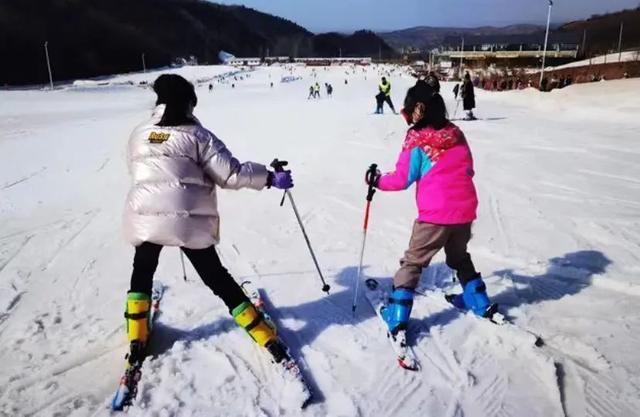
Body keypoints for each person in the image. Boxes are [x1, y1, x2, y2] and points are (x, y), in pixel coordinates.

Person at [122, 74, 295, 369]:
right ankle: (264, 335)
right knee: (217, 277)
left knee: (143, 270)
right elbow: (231, 174)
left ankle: (136, 336)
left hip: (145, 217)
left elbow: (136, 170)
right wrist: (269, 177)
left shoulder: (139, 133)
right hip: (188, 220)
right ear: (188, 104)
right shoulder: (198, 136)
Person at [365, 79, 494, 338]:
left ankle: (398, 315)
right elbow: (469, 167)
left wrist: (376, 180)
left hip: (436, 214)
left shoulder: (417, 138)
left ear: (418, 110)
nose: (408, 117)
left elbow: (402, 179)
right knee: (458, 256)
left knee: (414, 261)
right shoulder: (456, 132)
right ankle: (478, 300)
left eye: (408, 111)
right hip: (465, 210)